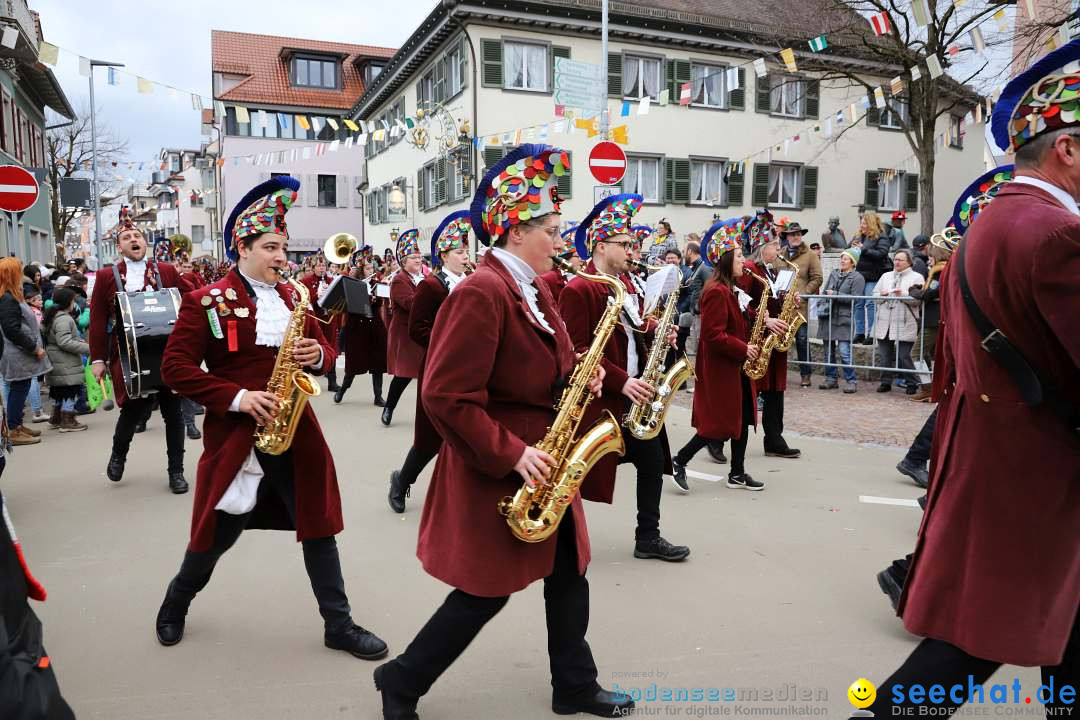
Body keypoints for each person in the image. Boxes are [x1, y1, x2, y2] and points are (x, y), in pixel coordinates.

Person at [373, 145, 633, 719]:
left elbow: (556, 357)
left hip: (548, 458)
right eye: (553, 230)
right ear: (516, 231)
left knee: (570, 574)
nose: (563, 242)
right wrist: (512, 455)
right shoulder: (481, 291)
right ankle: (402, 679)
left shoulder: (536, 287)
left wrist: (578, 379)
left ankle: (574, 684)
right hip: (505, 466)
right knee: (484, 592)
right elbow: (445, 395)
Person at [865, 41, 1079, 716]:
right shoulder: (1052, 232)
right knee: (968, 648)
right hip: (1040, 476)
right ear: (1068, 150)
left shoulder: (996, 219)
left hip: (1005, 463)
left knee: (1047, 632)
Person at [154, 175, 387, 660]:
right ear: (242, 246)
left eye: (283, 247)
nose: (283, 257)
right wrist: (238, 398)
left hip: (295, 429)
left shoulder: (291, 297)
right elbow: (174, 369)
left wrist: (317, 356)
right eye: (272, 247)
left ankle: (338, 625)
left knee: (318, 525)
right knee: (216, 532)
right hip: (238, 435)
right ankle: (178, 598)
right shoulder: (206, 302)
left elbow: (325, 347)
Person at [559, 194, 689, 561]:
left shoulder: (627, 284)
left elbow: (633, 330)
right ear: (602, 246)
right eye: (626, 244)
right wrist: (621, 381)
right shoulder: (579, 288)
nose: (633, 250)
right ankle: (553, 530)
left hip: (637, 395)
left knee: (650, 463)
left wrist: (659, 333)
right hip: (604, 398)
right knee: (577, 472)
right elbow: (579, 350)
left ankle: (648, 536)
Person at [88, 210, 191, 494]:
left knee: (174, 414)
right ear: (119, 246)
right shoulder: (107, 276)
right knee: (132, 412)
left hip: (168, 354)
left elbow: (188, 304)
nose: (133, 239)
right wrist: (97, 360)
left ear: (145, 243)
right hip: (129, 355)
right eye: (126, 237)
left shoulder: (167, 271)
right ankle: (118, 455)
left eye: (137, 236)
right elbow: (97, 321)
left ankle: (176, 471)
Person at [387, 211, 472, 514]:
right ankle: (402, 480)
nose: (466, 256)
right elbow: (417, 328)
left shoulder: (472, 282)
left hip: (470, 370)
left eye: (466, 250)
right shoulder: (431, 286)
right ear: (445, 254)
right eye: (460, 252)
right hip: (439, 367)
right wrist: (448, 343)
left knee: (469, 436)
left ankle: (460, 498)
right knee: (429, 439)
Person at [671, 218, 762, 492]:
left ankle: (737, 472)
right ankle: (680, 459)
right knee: (718, 424)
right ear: (724, 260)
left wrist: (761, 320)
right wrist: (744, 348)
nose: (743, 261)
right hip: (722, 368)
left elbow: (736, 322)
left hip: (735, 365)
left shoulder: (731, 290)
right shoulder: (716, 292)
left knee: (743, 416)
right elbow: (713, 335)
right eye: (738, 256)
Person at [738, 230, 799, 458]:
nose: (778, 249)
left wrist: (789, 300)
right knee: (748, 390)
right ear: (761, 247)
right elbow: (740, 299)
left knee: (775, 390)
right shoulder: (751, 270)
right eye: (774, 244)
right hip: (758, 337)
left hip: (775, 337)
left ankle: (774, 439)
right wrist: (765, 319)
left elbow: (772, 298)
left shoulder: (772, 270)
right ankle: (717, 437)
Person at [0, 258, 51, 446]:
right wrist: (34, 347)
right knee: (18, 389)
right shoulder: (7, 298)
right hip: (17, 353)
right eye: (18, 271)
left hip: (18, 352)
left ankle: (17, 425)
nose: (22, 275)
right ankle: (13, 429)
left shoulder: (10, 295)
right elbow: (12, 330)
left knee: (20, 389)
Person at [382, 229, 425, 427]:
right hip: (405, 335)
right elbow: (409, 303)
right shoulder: (400, 279)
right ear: (404, 261)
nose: (418, 260)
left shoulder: (422, 278)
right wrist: (429, 293)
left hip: (420, 333)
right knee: (403, 376)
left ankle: (428, 417)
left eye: (419, 256)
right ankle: (389, 407)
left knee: (427, 376)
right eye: (413, 257)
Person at [335, 251, 387, 406]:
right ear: (360, 270)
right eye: (367, 269)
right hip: (357, 328)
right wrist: (364, 297)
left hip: (374, 326)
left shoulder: (375, 283)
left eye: (372, 268)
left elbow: (378, 306)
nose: (371, 271)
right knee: (354, 364)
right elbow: (349, 307)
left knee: (378, 362)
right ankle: (342, 390)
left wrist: (377, 297)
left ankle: (378, 396)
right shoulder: (351, 284)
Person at [777, 221, 822, 387]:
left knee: (802, 340)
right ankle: (780, 374)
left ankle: (806, 374)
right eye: (792, 234)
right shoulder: (780, 254)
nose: (796, 236)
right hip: (781, 305)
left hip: (799, 305)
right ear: (787, 236)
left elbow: (817, 277)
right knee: (779, 341)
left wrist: (804, 294)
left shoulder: (810, 254)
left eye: (798, 234)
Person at [873, 249, 924, 394]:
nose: (896, 262)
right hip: (885, 320)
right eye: (895, 259)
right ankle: (885, 382)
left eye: (900, 259)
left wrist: (903, 294)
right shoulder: (886, 276)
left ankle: (912, 383)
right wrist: (882, 295)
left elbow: (918, 300)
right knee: (884, 355)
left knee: (904, 355)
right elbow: (875, 296)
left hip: (904, 321)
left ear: (909, 262)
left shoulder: (917, 277)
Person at [817, 246, 865, 393]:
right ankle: (831, 379)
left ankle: (851, 381)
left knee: (844, 351)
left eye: (846, 258)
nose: (842, 261)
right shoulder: (834, 273)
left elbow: (856, 300)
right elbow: (825, 291)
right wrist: (822, 302)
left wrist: (836, 294)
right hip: (828, 317)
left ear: (853, 262)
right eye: (842, 258)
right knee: (828, 351)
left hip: (844, 319)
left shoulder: (857, 277)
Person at [42, 288, 89, 433]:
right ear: (68, 302)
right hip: (65, 361)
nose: (74, 303)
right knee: (70, 390)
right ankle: (67, 420)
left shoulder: (53, 316)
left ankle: (56, 418)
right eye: (73, 300)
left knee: (60, 390)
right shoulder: (64, 318)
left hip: (57, 360)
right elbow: (64, 342)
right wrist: (87, 347)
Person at [300, 254, 342, 394]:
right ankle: (306, 381)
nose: (322, 268)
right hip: (315, 320)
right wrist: (316, 296)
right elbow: (303, 303)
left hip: (329, 320)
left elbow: (338, 299)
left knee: (331, 348)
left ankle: (332, 381)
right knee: (312, 348)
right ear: (313, 268)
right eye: (318, 266)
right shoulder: (306, 281)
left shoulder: (332, 280)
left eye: (323, 265)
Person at [850, 211, 890, 344]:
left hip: (873, 275)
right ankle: (860, 333)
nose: (862, 225)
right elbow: (847, 249)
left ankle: (872, 334)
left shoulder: (881, 237)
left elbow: (882, 254)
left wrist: (864, 250)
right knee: (858, 304)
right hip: (859, 275)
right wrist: (850, 249)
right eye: (861, 223)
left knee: (870, 304)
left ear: (871, 223)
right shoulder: (858, 236)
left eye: (864, 223)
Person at [538, 225, 581, 302]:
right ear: (567, 257)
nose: (582, 260)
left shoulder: (581, 277)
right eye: (578, 256)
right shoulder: (549, 278)